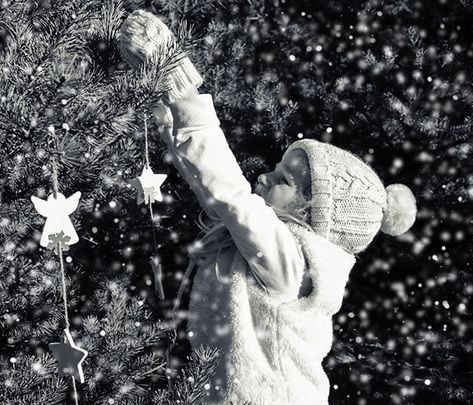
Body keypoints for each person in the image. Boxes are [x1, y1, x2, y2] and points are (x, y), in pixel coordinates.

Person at [119, 10, 418, 405]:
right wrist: (165, 105)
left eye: (283, 181)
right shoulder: (275, 253)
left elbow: (229, 195)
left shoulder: (291, 263)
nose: (264, 178)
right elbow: (204, 181)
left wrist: (181, 87)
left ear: (313, 214)